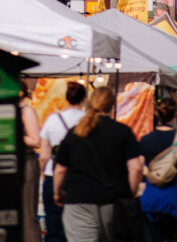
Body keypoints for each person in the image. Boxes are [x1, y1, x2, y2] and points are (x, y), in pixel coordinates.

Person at [53, 85, 142, 242]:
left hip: (78, 200)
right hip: (113, 201)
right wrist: (130, 193)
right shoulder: (122, 132)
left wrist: (58, 193)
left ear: (90, 102)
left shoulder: (76, 132)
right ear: (112, 104)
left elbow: (60, 169)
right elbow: (136, 167)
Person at [39, 81, 87, 242]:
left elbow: (44, 155)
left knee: (53, 225)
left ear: (66, 98)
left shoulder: (52, 119)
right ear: (84, 99)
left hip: (52, 174)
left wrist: (42, 173)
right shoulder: (88, 121)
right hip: (80, 176)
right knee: (79, 227)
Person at [139, 95, 177, 242]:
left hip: (150, 200)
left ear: (156, 114)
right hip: (175, 200)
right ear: (175, 115)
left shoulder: (145, 140)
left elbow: (140, 168)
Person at [20, 81, 42, 242]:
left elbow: (36, 141)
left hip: (26, 162)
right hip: (14, 162)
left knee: (27, 212)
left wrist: (12, 135)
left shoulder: (27, 111)